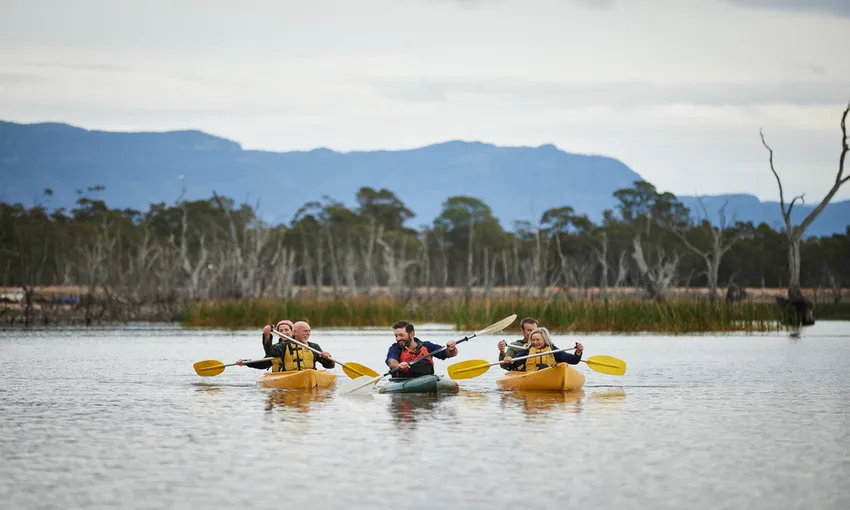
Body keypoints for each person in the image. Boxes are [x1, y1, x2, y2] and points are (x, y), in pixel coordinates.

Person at [385, 320, 458, 379]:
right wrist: (398, 366)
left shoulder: (427, 346)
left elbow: (450, 353)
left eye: (401, 335)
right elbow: (391, 361)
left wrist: (452, 348)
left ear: (411, 334)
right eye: (396, 336)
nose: (398, 338)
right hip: (402, 381)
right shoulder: (395, 348)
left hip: (426, 379)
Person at [500, 327, 583, 372]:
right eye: (533, 340)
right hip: (532, 376)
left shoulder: (553, 349)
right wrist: (509, 361)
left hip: (549, 375)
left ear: (545, 340)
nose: (535, 342)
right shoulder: (527, 351)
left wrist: (578, 352)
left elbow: (573, 360)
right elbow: (513, 365)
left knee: (549, 366)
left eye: (538, 340)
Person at [263, 320, 336, 372]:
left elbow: (330, 366)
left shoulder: (314, 346)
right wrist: (267, 336)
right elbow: (270, 352)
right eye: (305, 331)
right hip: (289, 377)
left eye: (309, 331)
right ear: (295, 332)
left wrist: (327, 358)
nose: (308, 333)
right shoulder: (283, 346)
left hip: (309, 376)